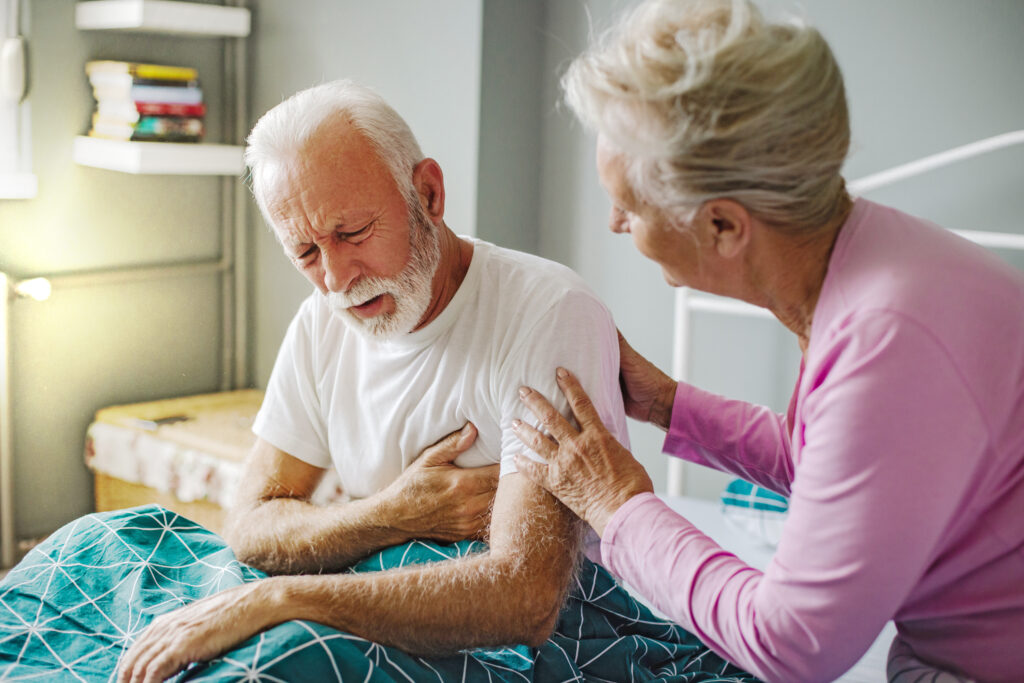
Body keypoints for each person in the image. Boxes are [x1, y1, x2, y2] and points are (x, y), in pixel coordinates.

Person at [509, 1, 1024, 681]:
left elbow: (791, 644)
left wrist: (620, 505)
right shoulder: (876, 255)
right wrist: (669, 403)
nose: (611, 223)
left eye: (629, 207)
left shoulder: (887, 344)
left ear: (722, 225)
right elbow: (835, 468)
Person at [117, 80, 628, 681]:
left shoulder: (544, 313)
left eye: (352, 234)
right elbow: (252, 523)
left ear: (429, 194)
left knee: (270, 661)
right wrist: (391, 514)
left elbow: (525, 596)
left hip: (532, 643)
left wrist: (283, 599)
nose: (335, 279)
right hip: (377, 591)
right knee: (110, 543)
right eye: (305, 253)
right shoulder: (322, 322)